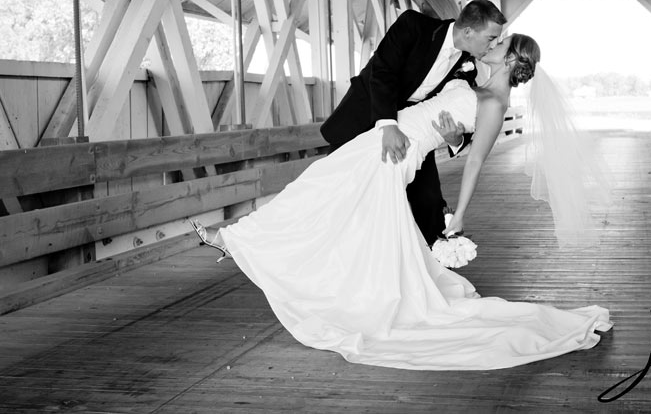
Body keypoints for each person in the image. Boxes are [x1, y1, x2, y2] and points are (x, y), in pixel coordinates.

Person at [190, 33, 612, 371]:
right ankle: (263, 250)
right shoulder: (471, 78)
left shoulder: (495, 103)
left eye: (500, 43)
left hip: (393, 156)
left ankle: (233, 239)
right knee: (326, 201)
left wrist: (458, 213)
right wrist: (451, 136)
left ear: (510, 60)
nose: (493, 43)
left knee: (314, 192)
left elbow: (475, 160)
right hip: (379, 141)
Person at [320, 0, 506, 246]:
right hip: (367, 117)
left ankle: (438, 262)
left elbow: (465, 111)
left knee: (429, 201)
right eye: (491, 37)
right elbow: (382, 70)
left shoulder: (467, 66)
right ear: (469, 31)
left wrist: (456, 139)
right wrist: (387, 125)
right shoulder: (414, 25)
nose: (493, 45)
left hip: (414, 136)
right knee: (340, 194)